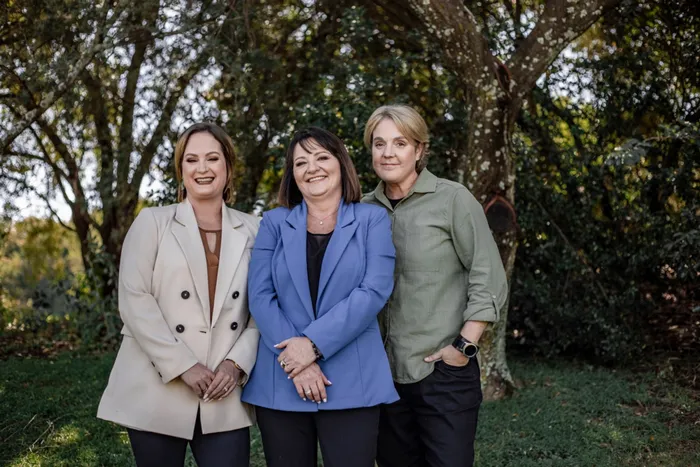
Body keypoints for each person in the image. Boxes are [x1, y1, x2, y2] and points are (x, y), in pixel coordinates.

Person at [97, 122, 260, 467]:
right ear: (180, 169)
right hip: (158, 384)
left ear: (228, 167)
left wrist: (237, 364)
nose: (202, 168)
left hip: (222, 389)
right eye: (191, 159)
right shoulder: (153, 222)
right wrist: (183, 365)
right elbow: (134, 298)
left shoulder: (255, 229)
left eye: (212, 158)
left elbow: (264, 306)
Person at [242, 127, 399, 467]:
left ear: (341, 163)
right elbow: (260, 295)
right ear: (292, 174)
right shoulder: (274, 223)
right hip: (283, 378)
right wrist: (296, 359)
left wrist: (311, 346)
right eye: (301, 162)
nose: (312, 168)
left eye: (322, 157)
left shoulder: (372, 219)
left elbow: (373, 290)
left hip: (354, 378)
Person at [362, 105, 509, 467]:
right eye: (379, 144)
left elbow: (488, 273)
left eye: (400, 143)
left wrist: (463, 346)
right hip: (383, 377)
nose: (388, 153)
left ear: (419, 149)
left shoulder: (452, 199)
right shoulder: (362, 209)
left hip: (443, 373)